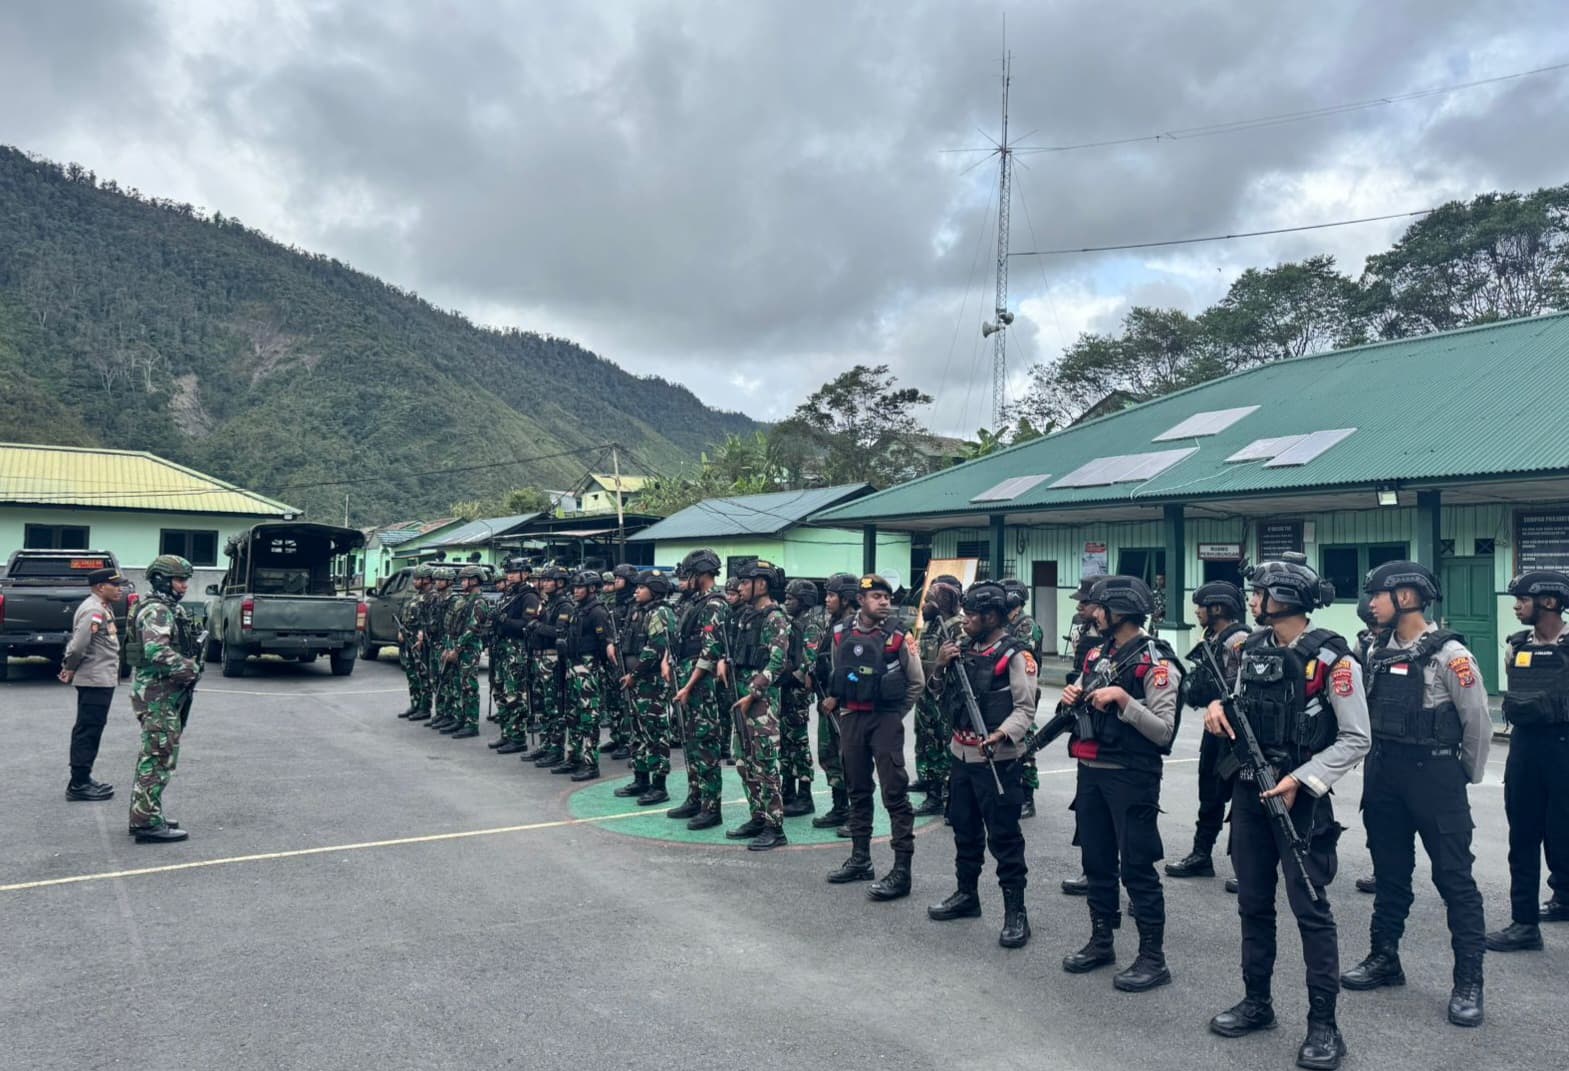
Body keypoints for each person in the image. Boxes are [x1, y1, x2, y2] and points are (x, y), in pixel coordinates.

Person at [1203, 554, 1369, 1071]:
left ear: (1286, 600)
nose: (1252, 601)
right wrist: (1216, 708)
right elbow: (1236, 703)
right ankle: (1258, 1003)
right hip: (1251, 797)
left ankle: (1324, 1026)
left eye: (1261, 594)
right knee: (1253, 904)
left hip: (1302, 802)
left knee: (1311, 911)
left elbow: (1355, 738)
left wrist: (1305, 779)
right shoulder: (1250, 649)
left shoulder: (1334, 662)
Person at [1340, 562, 1490, 1028]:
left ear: (1406, 596)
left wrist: (1461, 773)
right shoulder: (1372, 649)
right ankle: (1385, 958)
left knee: (1454, 880)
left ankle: (1469, 981)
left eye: (1378, 595)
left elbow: (1478, 722)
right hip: (1386, 773)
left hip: (1436, 775)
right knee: (1389, 873)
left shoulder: (1451, 655)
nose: (1371, 604)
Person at [1058, 575, 1181, 992]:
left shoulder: (1156, 662)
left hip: (1132, 778)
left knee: (1137, 867)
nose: (1092, 613)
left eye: (1099, 607)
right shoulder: (1098, 654)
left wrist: (1125, 701)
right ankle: (1101, 939)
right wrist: (1073, 695)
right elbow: (1079, 695)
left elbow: (1164, 731)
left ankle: (1152, 957)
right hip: (1091, 772)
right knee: (1096, 862)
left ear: (1120, 611)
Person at [926, 581, 1039, 948]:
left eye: (972, 615)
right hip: (961, 755)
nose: (965, 620)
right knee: (965, 831)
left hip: (997, 760)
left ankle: (1015, 912)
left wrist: (1003, 735)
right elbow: (936, 694)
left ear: (991, 617)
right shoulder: (960, 649)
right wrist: (940, 666)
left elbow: (1025, 709)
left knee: (1005, 839)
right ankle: (966, 895)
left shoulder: (1015, 655)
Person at [823, 574, 925, 900]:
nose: (884, 602)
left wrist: (894, 714)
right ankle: (860, 859)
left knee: (894, 793)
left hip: (884, 719)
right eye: (877, 596)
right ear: (862, 600)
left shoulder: (899, 636)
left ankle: (901, 870)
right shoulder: (841, 633)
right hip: (852, 718)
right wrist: (841, 707)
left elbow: (916, 682)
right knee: (858, 789)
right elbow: (840, 673)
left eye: (886, 597)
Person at [1487, 569, 1569, 952]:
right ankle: (1524, 923)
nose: (1517, 606)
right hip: (1524, 747)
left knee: (1563, 832)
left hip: (1564, 745)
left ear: (1549, 602)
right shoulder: (1515, 645)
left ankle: (1564, 896)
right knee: (1522, 834)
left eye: (1522, 599)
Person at [1166, 581, 1249, 882]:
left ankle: (1248, 866)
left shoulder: (1239, 639)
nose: (1196, 611)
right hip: (1215, 730)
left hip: (1237, 731)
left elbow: (1242, 686)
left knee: (1242, 799)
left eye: (1200, 605)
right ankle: (1201, 855)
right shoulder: (1212, 638)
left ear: (1217, 608)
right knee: (1210, 795)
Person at [125, 555, 204, 843]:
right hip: (158, 694)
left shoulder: (164, 608)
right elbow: (155, 651)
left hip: (162, 693)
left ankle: (147, 812)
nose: (183, 586)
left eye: (185, 580)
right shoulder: (157, 611)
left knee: (157, 755)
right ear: (161, 579)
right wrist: (189, 668)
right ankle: (145, 823)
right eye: (179, 580)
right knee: (157, 757)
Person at [722, 559, 791, 850]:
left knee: (764, 762)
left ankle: (775, 827)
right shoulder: (746, 616)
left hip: (761, 703)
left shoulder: (775, 617)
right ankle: (758, 816)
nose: (740, 587)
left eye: (746, 582)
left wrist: (752, 693)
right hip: (741, 698)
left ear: (761, 584)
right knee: (743, 761)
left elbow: (777, 662)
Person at [670, 549, 730, 829]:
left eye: (690, 574)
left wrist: (689, 685)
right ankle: (695, 796)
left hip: (701, 684)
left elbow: (709, 652)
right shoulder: (695, 602)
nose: (686, 580)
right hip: (687, 678)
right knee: (690, 741)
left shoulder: (715, 604)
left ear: (702, 574)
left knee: (705, 743)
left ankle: (711, 806)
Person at [60, 566, 128, 801]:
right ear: (101, 587)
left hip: (100, 678)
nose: (120, 589)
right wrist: (69, 668)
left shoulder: (101, 608)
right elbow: (78, 645)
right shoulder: (93, 610)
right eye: (115, 585)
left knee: (92, 728)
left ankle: (83, 777)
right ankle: (78, 784)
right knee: (88, 730)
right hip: (94, 679)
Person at [615, 570, 679, 805]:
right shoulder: (638, 610)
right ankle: (640, 778)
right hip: (635, 680)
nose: (636, 590)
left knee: (655, 733)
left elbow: (657, 647)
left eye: (642, 587)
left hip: (650, 681)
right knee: (638, 730)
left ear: (654, 590)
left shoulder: (661, 612)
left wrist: (635, 673)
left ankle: (659, 785)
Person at [1061, 577, 1102, 897]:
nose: (1080, 607)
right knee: (1088, 810)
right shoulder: (1085, 633)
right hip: (1083, 723)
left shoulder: (1121, 643)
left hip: (1112, 736)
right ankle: (1093, 869)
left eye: (1086, 602)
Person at [555, 570, 616, 781]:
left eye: (580, 587)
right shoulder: (578, 609)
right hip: (573, 665)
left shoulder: (597, 612)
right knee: (572, 715)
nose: (576, 590)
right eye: (575, 587)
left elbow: (605, 643)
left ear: (592, 589)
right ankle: (574, 757)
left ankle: (591, 764)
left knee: (589, 717)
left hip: (589, 666)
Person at [912, 576, 965, 818]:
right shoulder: (932, 626)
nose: (924, 606)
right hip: (925, 694)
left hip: (942, 697)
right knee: (924, 740)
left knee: (940, 745)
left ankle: (939, 794)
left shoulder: (956, 627)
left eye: (930, 601)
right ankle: (927, 778)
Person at [811, 572, 859, 831]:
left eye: (831, 595)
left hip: (843, 704)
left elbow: (853, 669)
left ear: (846, 598)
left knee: (849, 759)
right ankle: (839, 807)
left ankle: (855, 813)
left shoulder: (853, 626)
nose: (827, 599)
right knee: (830, 756)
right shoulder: (834, 623)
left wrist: (837, 696)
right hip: (826, 699)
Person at [780, 578, 824, 817]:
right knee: (786, 743)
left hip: (798, 690)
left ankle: (805, 795)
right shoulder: (793, 622)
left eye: (791, 598)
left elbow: (810, 659)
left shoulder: (810, 625)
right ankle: (787, 790)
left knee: (798, 742)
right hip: (786, 689)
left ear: (804, 601)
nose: (787, 601)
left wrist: (793, 676)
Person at [1000, 578, 1044, 818]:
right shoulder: (1008, 623)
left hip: (1025, 690)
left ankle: (1028, 797)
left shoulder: (1026, 625)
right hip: (1006, 691)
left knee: (1024, 743)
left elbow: (1020, 654)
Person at [488, 558, 538, 754]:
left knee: (514, 694)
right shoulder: (509, 594)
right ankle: (507, 733)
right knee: (499, 691)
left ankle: (517, 737)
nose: (510, 575)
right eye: (508, 572)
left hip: (515, 648)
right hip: (501, 647)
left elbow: (527, 624)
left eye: (514, 572)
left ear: (525, 574)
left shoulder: (529, 596)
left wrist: (504, 620)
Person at [526, 568, 574, 768]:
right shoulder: (549, 603)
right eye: (543, 580)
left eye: (548, 580)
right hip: (540, 658)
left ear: (560, 583)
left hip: (553, 660)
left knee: (554, 706)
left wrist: (537, 627)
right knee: (543, 706)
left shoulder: (564, 605)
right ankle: (546, 744)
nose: (543, 583)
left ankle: (555, 748)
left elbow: (560, 632)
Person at [434, 566, 489, 739]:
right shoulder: (464, 599)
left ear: (474, 580)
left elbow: (473, 628)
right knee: (456, 685)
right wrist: (448, 647)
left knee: (469, 687)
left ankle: (471, 724)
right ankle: (460, 718)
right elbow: (453, 626)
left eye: (465, 579)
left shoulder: (479, 602)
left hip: (468, 650)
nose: (462, 582)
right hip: (456, 647)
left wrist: (457, 648)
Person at [601, 563, 640, 760]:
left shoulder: (633, 604)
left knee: (627, 702)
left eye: (619, 578)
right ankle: (617, 736)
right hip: (613, 658)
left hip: (628, 659)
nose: (616, 581)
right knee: (613, 700)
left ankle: (628, 739)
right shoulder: (616, 602)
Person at [396, 565, 434, 720]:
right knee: (412, 674)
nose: (415, 581)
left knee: (423, 675)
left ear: (426, 580)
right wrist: (402, 630)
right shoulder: (416, 596)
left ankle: (425, 708)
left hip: (421, 642)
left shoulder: (432, 597)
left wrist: (421, 635)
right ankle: (415, 704)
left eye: (418, 579)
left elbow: (430, 619)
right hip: (409, 640)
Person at [423, 567, 456, 730]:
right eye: (436, 580)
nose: (437, 583)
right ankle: (441, 713)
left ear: (449, 582)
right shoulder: (436, 599)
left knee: (447, 681)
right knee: (436, 679)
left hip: (445, 643)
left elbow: (451, 626)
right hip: (434, 642)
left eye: (441, 580)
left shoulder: (453, 600)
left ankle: (449, 714)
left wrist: (449, 647)